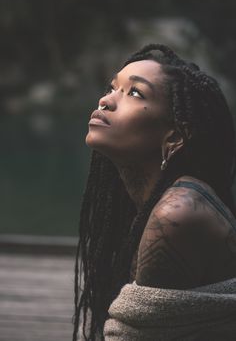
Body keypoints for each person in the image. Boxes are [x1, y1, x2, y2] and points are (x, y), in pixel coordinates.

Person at [72, 44, 236, 341]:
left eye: (135, 93)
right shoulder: (150, 202)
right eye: (113, 88)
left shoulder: (177, 214)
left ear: (173, 137)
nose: (106, 101)